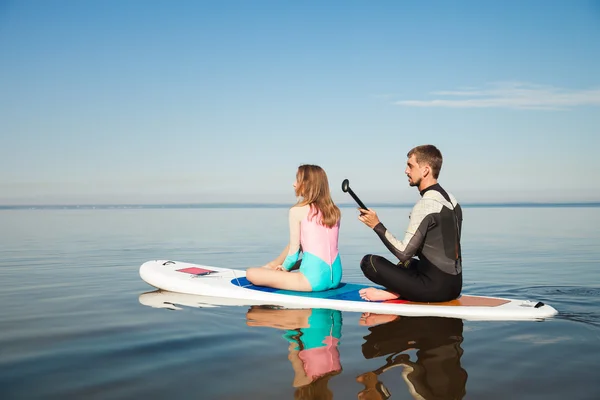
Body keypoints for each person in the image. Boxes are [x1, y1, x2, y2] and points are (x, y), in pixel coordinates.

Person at [357, 144, 462, 302]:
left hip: (435, 290)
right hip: (455, 286)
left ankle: (393, 294)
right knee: (405, 265)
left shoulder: (426, 204)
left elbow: (404, 252)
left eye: (410, 166)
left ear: (425, 170)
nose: (406, 171)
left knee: (369, 262)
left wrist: (376, 225)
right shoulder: (452, 201)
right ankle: (400, 291)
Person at [246, 164, 343, 291]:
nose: (294, 184)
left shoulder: (297, 211)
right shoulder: (334, 211)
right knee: (297, 247)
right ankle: (271, 265)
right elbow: (314, 248)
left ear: (306, 184)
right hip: (335, 277)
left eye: (298, 180)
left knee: (251, 273)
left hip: (312, 281)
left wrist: (284, 269)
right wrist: (279, 265)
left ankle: (272, 267)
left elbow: (292, 255)